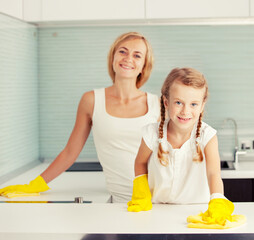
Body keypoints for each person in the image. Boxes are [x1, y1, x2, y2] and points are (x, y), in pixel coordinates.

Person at [0, 32, 160, 203]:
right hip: (121, 198)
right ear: (113, 56)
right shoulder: (91, 100)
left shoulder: (156, 104)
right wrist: (35, 184)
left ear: (144, 65)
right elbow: (70, 152)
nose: (128, 58)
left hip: (158, 194)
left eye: (137, 55)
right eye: (122, 51)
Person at [127, 67, 241, 226]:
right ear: (166, 102)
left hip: (195, 214)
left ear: (202, 106)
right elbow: (139, 162)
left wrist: (217, 199)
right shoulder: (151, 133)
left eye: (194, 104)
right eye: (179, 102)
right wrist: (141, 191)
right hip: (156, 213)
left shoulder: (207, 136)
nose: (185, 111)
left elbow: (214, 173)